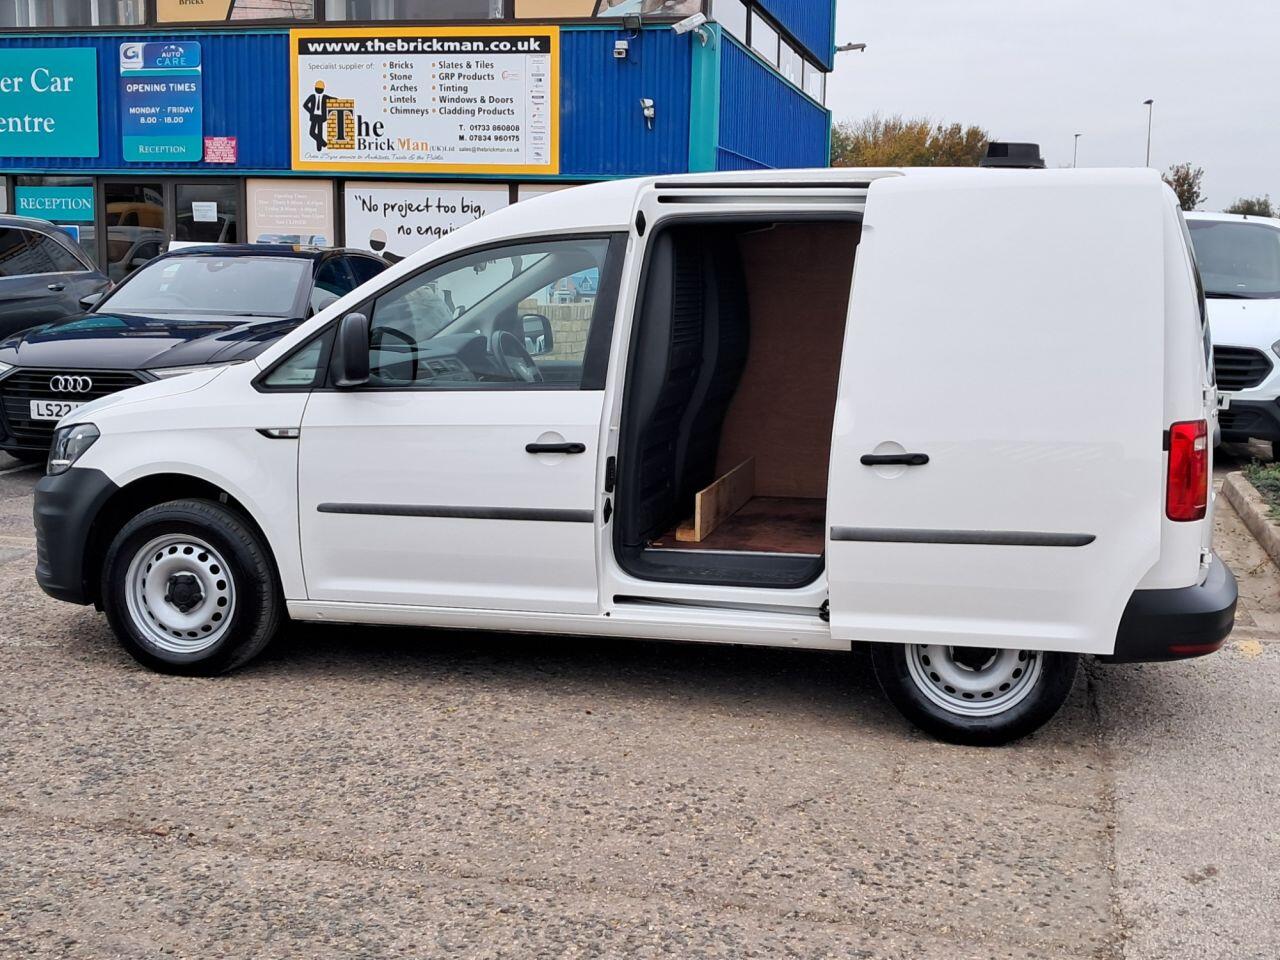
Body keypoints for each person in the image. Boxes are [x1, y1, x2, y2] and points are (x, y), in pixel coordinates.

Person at [302, 81, 330, 151]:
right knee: (311, 132)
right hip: (314, 116)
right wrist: (311, 112)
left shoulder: (325, 97)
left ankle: (319, 149)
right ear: (315, 88)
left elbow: (333, 98)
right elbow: (305, 105)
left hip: (321, 117)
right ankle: (324, 143)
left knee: (320, 133)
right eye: (318, 88)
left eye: (320, 88)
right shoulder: (312, 96)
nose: (319, 90)